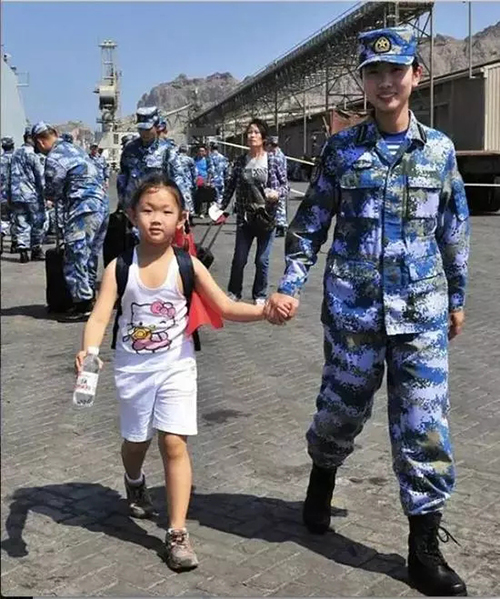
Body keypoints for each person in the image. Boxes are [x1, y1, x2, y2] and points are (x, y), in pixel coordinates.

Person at [265, 26, 470, 597]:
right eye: (374, 73)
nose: (385, 82)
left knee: (425, 428)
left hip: (421, 315)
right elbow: (310, 227)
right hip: (354, 315)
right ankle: (321, 479)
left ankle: (423, 550)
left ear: (416, 77)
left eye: (396, 70)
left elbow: (454, 230)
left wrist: (457, 298)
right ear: (362, 81)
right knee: (339, 412)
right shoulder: (342, 150)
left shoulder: (439, 151)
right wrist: (290, 284)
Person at [74, 173, 264, 571]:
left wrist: (267, 312)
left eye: (165, 211)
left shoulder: (186, 265)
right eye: (147, 210)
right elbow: (100, 317)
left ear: (181, 218)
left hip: (177, 367)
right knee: (136, 442)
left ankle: (177, 532)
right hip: (133, 370)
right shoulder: (120, 267)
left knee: (174, 442)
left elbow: (226, 306)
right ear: (132, 215)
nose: (156, 218)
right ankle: (134, 479)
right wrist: (89, 351)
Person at [32, 122, 109, 322]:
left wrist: (49, 197)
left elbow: (52, 191)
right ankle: (89, 296)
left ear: (40, 142)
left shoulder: (55, 157)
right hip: (100, 206)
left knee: (75, 254)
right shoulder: (74, 149)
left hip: (83, 208)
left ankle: (83, 303)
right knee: (90, 254)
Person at [219, 118, 288, 305]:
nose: (252, 135)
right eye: (249, 132)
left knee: (262, 260)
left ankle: (260, 294)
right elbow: (230, 186)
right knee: (239, 259)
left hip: (266, 218)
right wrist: (220, 207)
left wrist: (276, 193)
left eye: (256, 132)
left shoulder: (273, 160)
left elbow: (285, 186)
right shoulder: (240, 161)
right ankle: (234, 292)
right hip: (245, 218)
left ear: (263, 137)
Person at [117, 107, 188, 211]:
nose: (144, 133)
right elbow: (123, 176)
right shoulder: (129, 150)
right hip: (133, 208)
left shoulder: (167, 151)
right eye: (141, 129)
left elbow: (178, 178)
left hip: (158, 206)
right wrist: (123, 201)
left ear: (156, 127)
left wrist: (184, 207)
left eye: (147, 129)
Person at [9, 127, 46, 263]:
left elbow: (9, 175)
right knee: (38, 221)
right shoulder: (34, 155)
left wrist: (9, 194)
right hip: (32, 195)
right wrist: (46, 194)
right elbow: (40, 176)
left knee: (21, 221)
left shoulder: (15, 154)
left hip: (16, 193)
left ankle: (23, 248)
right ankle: (36, 249)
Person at [267, 136, 289, 237]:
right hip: (280, 181)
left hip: (277, 182)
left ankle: (281, 227)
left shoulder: (276, 156)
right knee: (280, 206)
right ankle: (280, 225)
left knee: (279, 206)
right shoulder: (280, 154)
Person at [1, 136, 17, 253]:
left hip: (2, 194)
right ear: (12, 146)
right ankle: (15, 244)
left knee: (3, 219)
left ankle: (1, 234)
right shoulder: (17, 159)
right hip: (16, 193)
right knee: (16, 218)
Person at [193, 144, 215, 218]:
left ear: (205, 152)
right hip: (196, 180)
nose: (201, 152)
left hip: (204, 180)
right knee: (197, 197)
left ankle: (204, 212)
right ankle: (197, 211)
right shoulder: (194, 160)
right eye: (199, 151)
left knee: (204, 197)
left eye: (202, 151)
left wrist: (208, 180)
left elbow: (210, 170)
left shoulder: (207, 160)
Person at [177, 144, 197, 215]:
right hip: (186, 182)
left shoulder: (175, 159)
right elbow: (194, 173)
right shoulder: (189, 160)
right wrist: (195, 183)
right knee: (188, 200)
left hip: (176, 182)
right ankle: (189, 215)